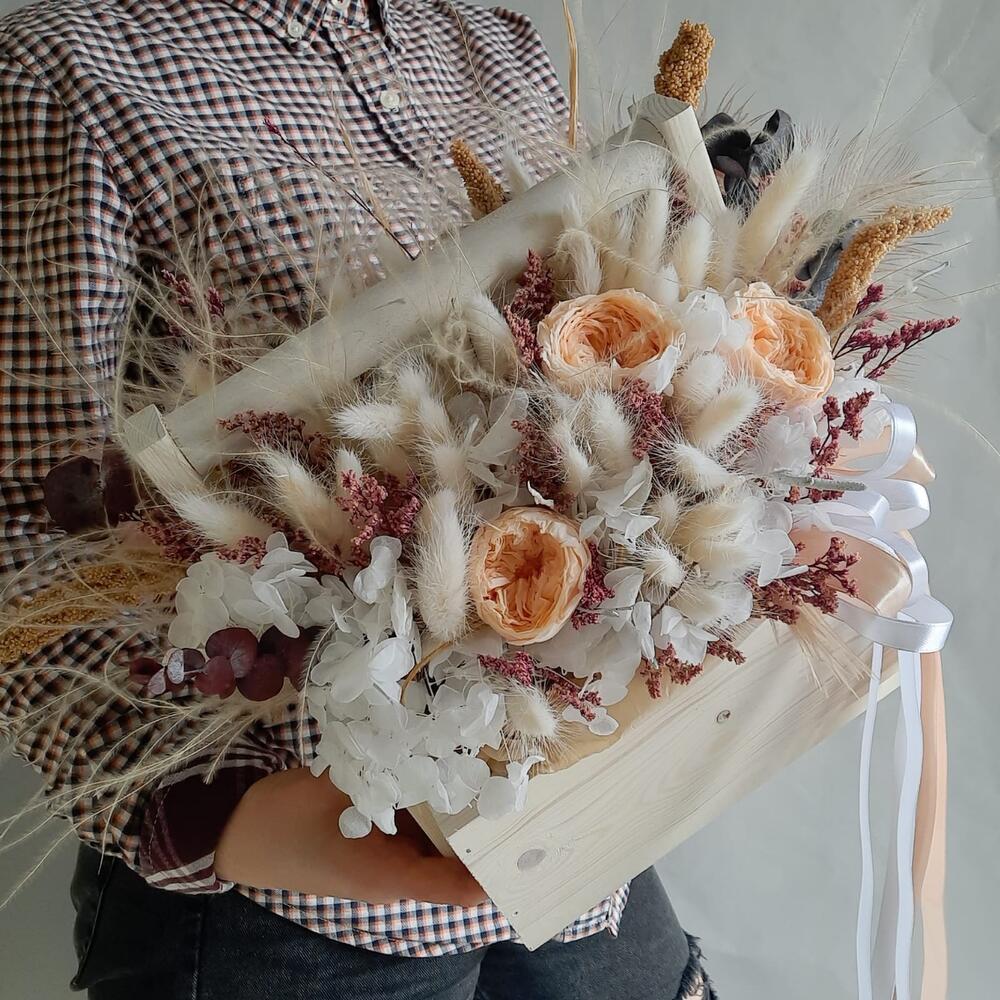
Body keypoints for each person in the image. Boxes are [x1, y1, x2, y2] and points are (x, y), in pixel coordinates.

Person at [0, 2, 716, 997]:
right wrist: (224, 814)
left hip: (569, 818)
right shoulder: (67, 73)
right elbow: (29, 532)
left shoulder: (495, 40)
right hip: (296, 886)